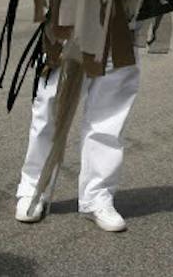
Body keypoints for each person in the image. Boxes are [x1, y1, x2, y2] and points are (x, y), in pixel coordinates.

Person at [15, 52, 141, 232]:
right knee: (50, 108)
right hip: (69, 32)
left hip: (122, 31)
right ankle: (33, 189)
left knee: (109, 118)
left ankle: (97, 197)